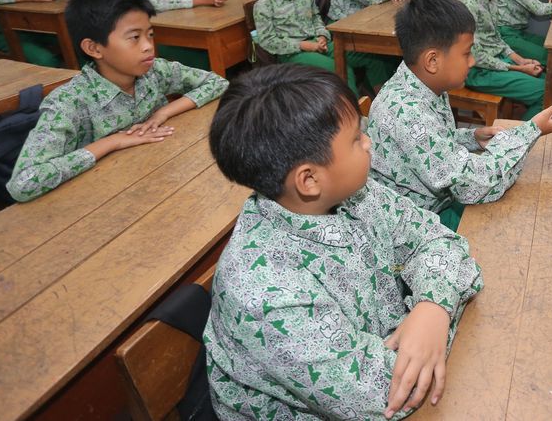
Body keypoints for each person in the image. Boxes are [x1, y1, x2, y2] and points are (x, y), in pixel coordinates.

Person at [203, 64, 483, 420]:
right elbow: (388, 393)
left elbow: (436, 239)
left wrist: (432, 307)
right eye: (355, 139)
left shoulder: (355, 194)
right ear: (309, 180)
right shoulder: (266, 293)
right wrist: (440, 307)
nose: (369, 141)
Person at [367, 0, 552, 230]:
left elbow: (430, 145)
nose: (473, 61)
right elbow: (472, 186)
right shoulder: (407, 111)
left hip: (434, 204)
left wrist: (471, 138)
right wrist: (532, 130)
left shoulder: (423, 84)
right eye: (466, 53)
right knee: (519, 225)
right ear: (432, 61)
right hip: (417, 225)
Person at [6, 0, 228, 202]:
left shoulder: (155, 71)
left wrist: (163, 113)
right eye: (134, 37)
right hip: (103, 199)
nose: (148, 46)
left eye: (150, 35)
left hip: (158, 175)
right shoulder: (69, 102)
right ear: (93, 48)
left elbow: (217, 83)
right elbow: (24, 183)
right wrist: (112, 142)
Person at [253, 0, 358, 93]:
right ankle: (355, 112)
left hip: (319, 44)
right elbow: (267, 41)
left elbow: (316, 17)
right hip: (292, 55)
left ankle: (375, 105)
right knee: (342, 69)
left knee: (368, 57)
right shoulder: (265, 4)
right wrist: (303, 45)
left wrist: (322, 35)